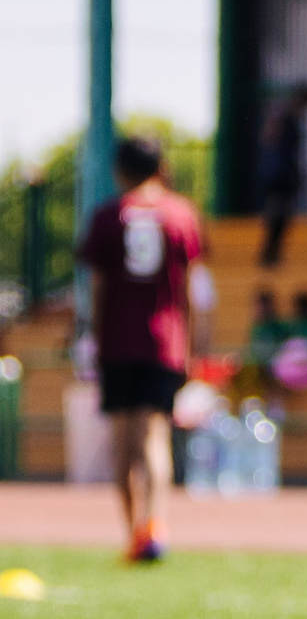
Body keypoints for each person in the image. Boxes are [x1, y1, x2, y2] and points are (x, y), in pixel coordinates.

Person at [76, 135, 206, 564]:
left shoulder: (108, 215)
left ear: (121, 170)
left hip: (117, 340)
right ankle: (156, 524)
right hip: (164, 339)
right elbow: (191, 285)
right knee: (154, 433)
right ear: (161, 166)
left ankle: (133, 532)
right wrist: (194, 342)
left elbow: (98, 286)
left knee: (122, 439)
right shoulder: (181, 213)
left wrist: (96, 336)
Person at [256, 90, 307, 268]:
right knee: (276, 213)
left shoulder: (291, 121)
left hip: (283, 174)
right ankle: (269, 253)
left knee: (282, 214)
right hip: (278, 174)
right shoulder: (284, 119)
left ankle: (273, 252)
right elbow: (268, 138)